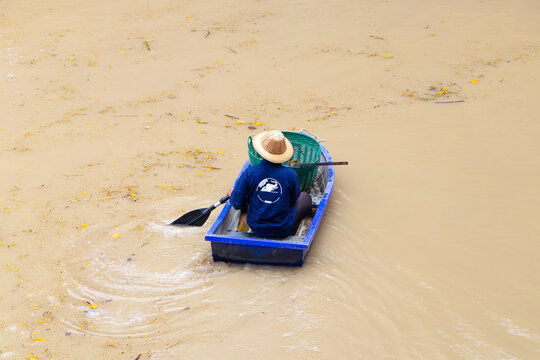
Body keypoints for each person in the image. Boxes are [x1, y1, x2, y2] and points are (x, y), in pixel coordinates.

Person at [228, 130, 312, 238]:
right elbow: (294, 198)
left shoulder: (250, 173)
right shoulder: (291, 175)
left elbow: (236, 203)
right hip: (283, 229)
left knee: (245, 195)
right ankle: (293, 230)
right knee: (305, 197)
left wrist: (233, 194)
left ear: (262, 151)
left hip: (256, 227)